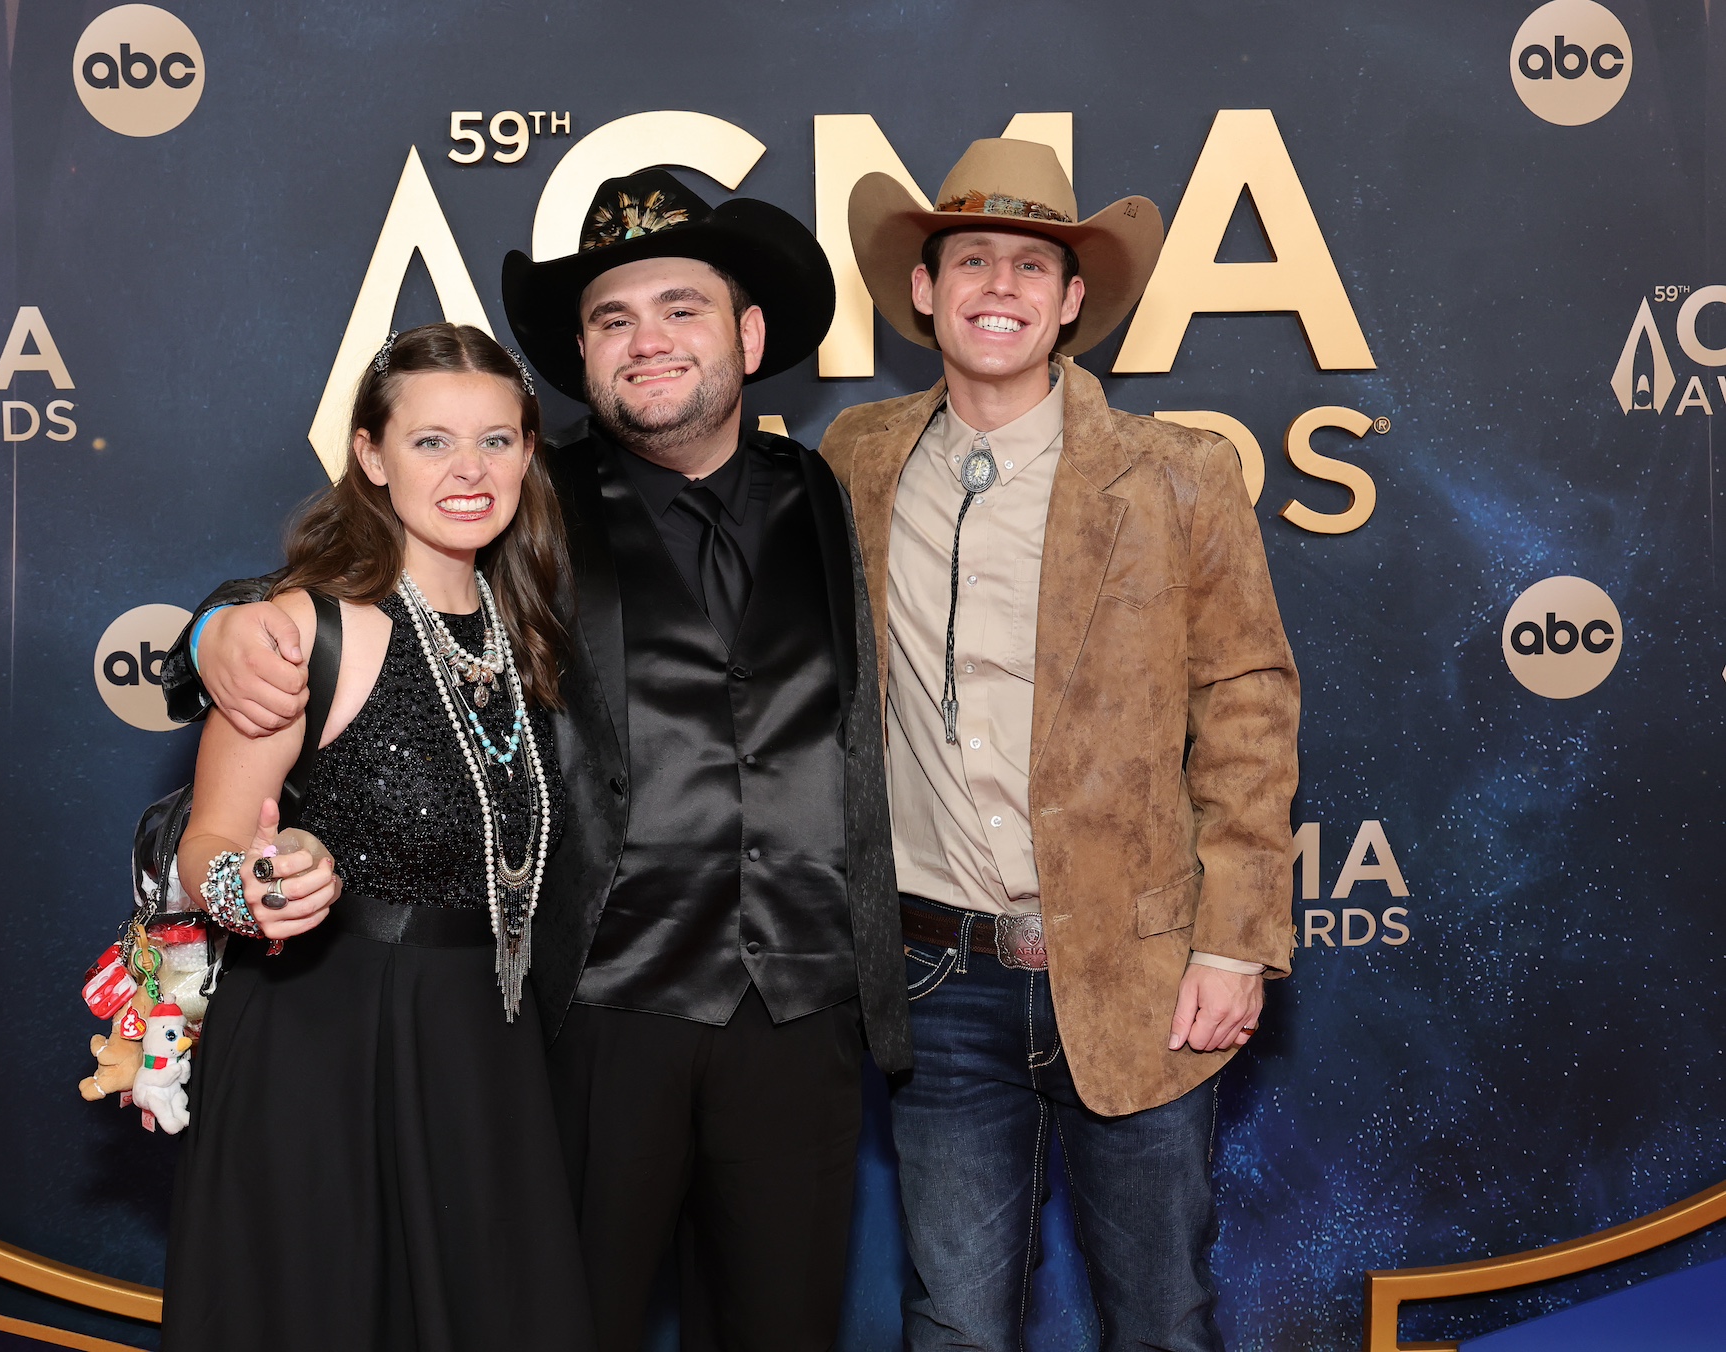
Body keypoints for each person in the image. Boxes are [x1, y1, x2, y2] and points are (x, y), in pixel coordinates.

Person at [160, 170, 910, 1352]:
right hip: (596, 1010)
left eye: (681, 307)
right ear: (581, 354)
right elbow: (360, 590)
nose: (648, 340)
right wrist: (214, 628)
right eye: (614, 319)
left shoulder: (826, 489)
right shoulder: (529, 499)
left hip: (799, 1010)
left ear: (750, 333)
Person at [822, 138, 1301, 1352]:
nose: (1000, 284)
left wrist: (1235, 936)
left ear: (1074, 299)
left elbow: (1247, 704)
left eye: (1032, 264)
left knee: (1161, 1321)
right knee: (957, 1326)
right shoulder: (855, 463)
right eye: (970, 256)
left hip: (1137, 975)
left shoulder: (1180, 475)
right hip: (937, 979)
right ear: (922, 289)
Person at [159, 323, 594, 1352]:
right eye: (432, 441)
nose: (470, 469)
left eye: (497, 440)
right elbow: (210, 839)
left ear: (530, 453)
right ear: (370, 456)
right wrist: (251, 886)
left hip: (487, 1046)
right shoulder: (305, 626)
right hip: (326, 1046)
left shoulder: (528, 627)